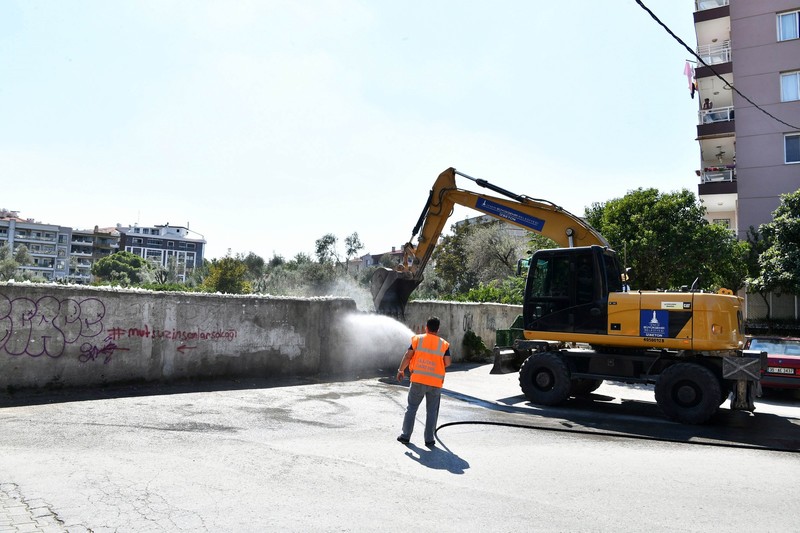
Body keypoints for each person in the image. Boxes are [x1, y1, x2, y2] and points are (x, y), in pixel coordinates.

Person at [396, 316, 451, 447]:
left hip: (418, 380)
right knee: (431, 412)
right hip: (435, 383)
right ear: (438, 329)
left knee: (411, 409)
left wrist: (401, 370)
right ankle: (429, 440)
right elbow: (447, 362)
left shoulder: (417, 339)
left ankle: (405, 436)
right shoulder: (443, 344)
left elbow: (408, 356)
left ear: (426, 327)